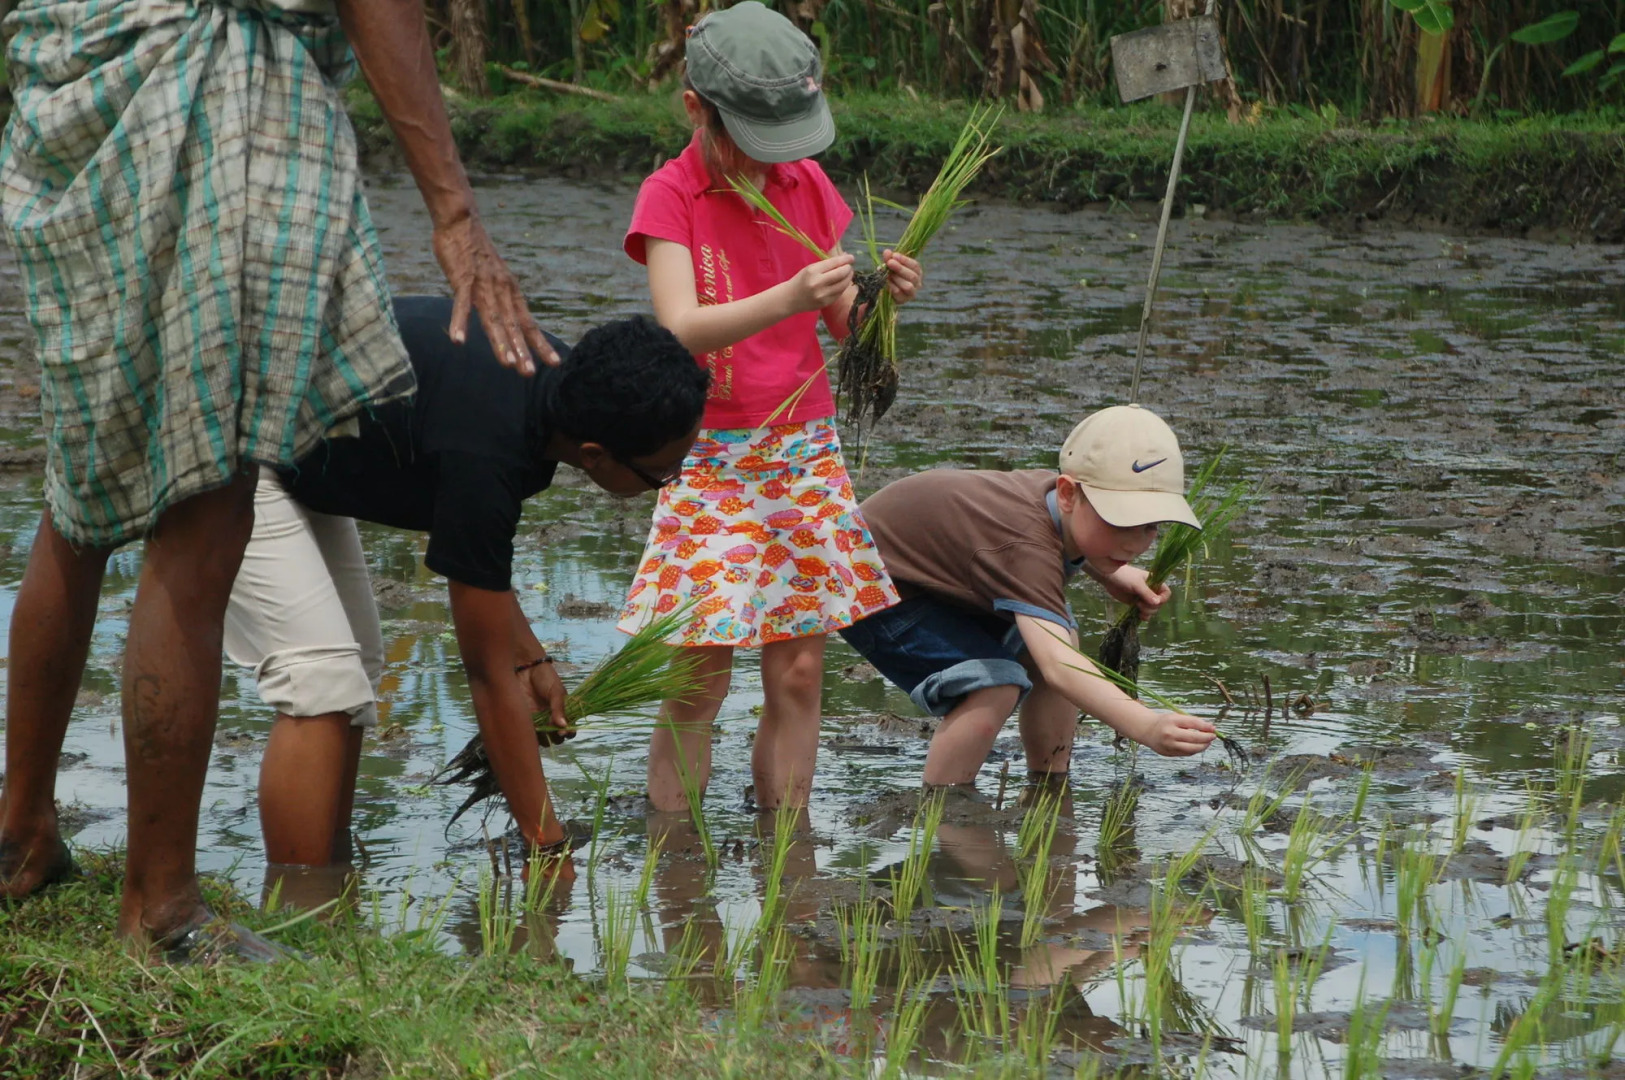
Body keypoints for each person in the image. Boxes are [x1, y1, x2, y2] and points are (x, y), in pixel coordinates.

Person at [0, 0, 553, 959]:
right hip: (218, 89)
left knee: (81, 495)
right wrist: (454, 211)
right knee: (208, 504)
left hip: (96, 71)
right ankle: (161, 912)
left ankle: (19, 834)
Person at [228, 297, 707, 887]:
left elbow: (476, 560)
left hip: (306, 454)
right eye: (662, 473)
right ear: (594, 455)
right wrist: (547, 845)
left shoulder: (558, 386)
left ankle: (330, 879)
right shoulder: (492, 444)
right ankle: (300, 903)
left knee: (357, 665)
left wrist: (529, 656)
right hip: (237, 444)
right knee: (320, 679)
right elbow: (485, 674)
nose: (669, 484)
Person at [614, 1, 923, 813]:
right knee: (696, 677)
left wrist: (881, 303)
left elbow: (842, 326)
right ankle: (674, 857)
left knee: (798, 667)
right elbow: (679, 328)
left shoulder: (805, 183)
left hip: (802, 450)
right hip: (705, 455)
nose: (766, 160)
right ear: (696, 109)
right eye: (751, 136)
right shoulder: (670, 195)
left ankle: (788, 853)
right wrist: (786, 293)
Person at [838, 404, 1218, 788]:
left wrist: (1111, 571)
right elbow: (1058, 664)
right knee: (995, 685)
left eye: (1150, 525)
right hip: (870, 584)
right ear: (1069, 492)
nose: (1136, 542)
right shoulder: (1025, 542)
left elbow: (1036, 543)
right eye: (1120, 520)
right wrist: (1147, 725)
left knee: (1061, 637)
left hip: (933, 577)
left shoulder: (1051, 504)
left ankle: (1049, 781)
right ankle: (946, 809)